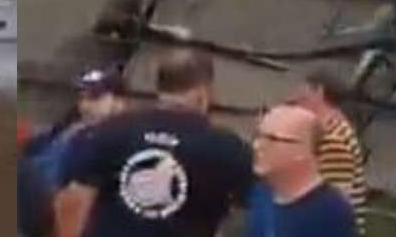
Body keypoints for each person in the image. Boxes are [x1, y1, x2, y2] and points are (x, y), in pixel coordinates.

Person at [55, 49, 254, 237]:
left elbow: (75, 198)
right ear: (204, 92)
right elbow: (261, 204)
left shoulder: (110, 131)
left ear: (159, 86)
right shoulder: (225, 146)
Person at [20, 66, 125, 237]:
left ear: (118, 100)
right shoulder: (66, 129)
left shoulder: (121, 140)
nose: (85, 105)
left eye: (95, 98)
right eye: (82, 98)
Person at [245, 105, 357, 237]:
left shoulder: (329, 212)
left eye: (271, 139)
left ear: (303, 151)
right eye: (257, 136)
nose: (257, 145)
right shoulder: (262, 193)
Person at [290, 69, 367, 233]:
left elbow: (333, 205)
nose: (297, 99)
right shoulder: (329, 130)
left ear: (319, 92)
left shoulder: (333, 139)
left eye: (304, 93)